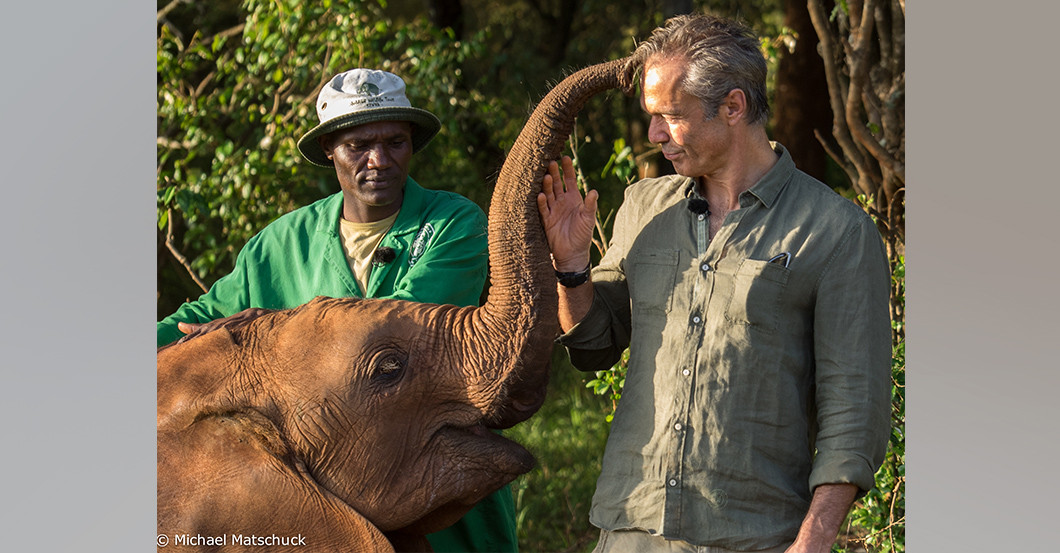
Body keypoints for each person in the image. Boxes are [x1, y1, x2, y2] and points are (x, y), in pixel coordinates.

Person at [537, 14, 892, 553]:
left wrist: (813, 541)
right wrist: (570, 266)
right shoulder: (642, 207)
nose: (655, 134)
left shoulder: (836, 231)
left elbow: (854, 408)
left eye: (670, 117)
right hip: (633, 526)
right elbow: (593, 346)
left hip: (757, 536)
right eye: (651, 117)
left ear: (733, 107)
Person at [158, 68, 518, 553]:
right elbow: (200, 319)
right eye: (358, 145)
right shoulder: (280, 244)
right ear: (329, 149)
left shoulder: (453, 222)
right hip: (327, 490)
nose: (380, 160)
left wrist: (266, 325)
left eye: (395, 142)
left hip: (430, 462)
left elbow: (396, 333)